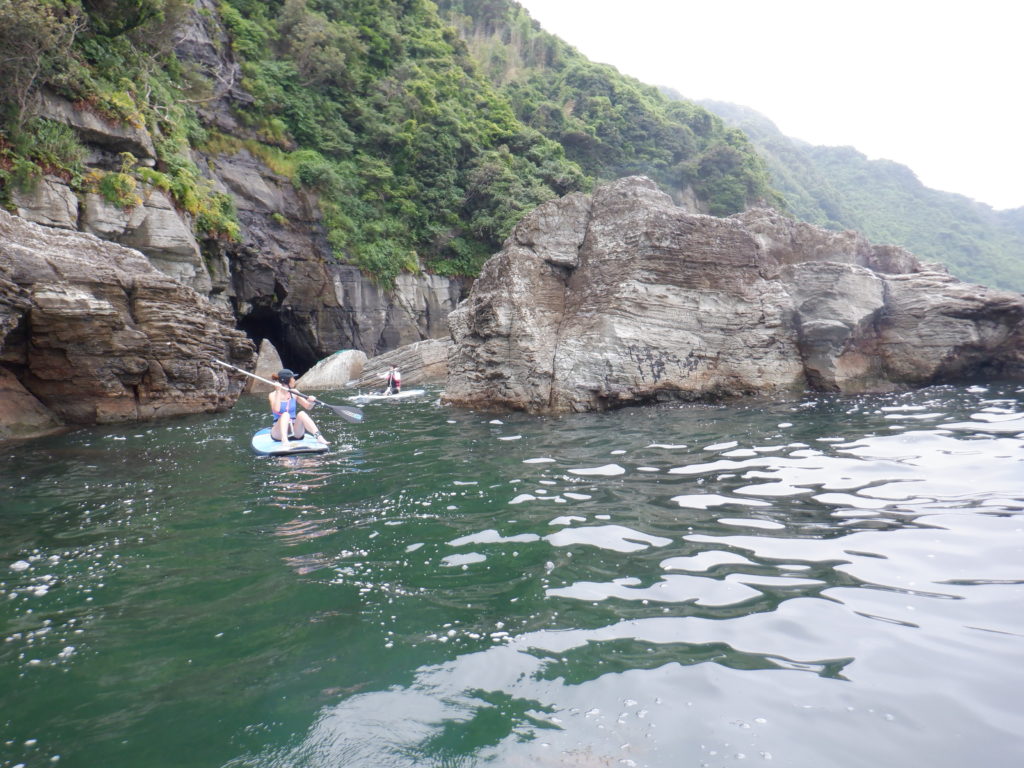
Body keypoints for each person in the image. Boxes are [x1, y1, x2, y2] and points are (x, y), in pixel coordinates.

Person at [269, 368, 329, 445]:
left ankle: (319, 437)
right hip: (278, 433)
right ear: (287, 381)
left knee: (302, 414)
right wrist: (278, 391)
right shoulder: (273, 395)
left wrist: (311, 402)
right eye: (292, 378)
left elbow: (308, 407)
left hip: (295, 432)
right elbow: (276, 410)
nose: (294, 380)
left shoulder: (294, 393)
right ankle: (285, 440)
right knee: (286, 415)